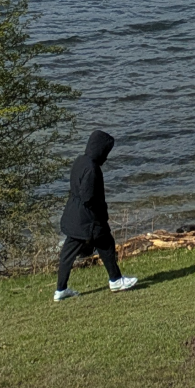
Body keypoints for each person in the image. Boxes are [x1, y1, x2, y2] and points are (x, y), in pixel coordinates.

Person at [55, 129, 138, 301]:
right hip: (89, 219)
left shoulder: (80, 161)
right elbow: (88, 197)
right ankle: (115, 280)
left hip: (73, 216)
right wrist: (102, 211)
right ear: (100, 150)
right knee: (107, 245)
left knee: (68, 254)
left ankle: (60, 290)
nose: (106, 157)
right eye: (106, 152)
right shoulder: (93, 169)